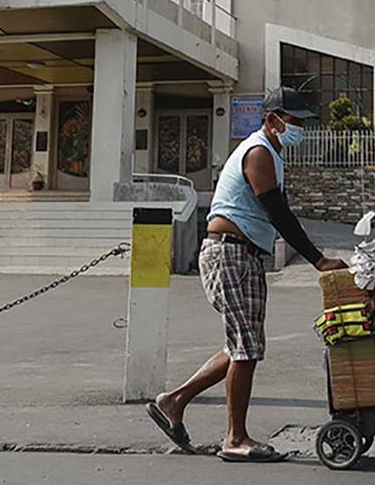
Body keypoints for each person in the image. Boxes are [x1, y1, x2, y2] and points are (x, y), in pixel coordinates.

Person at [146, 86, 347, 462]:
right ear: (272, 120)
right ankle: (235, 439)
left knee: (242, 345)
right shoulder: (258, 152)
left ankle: (173, 401)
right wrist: (318, 260)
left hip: (240, 255)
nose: (299, 129)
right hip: (230, 255)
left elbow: (279, 212)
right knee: (246, 348)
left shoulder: (270, 151)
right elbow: (278, 213)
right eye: (294, 122)